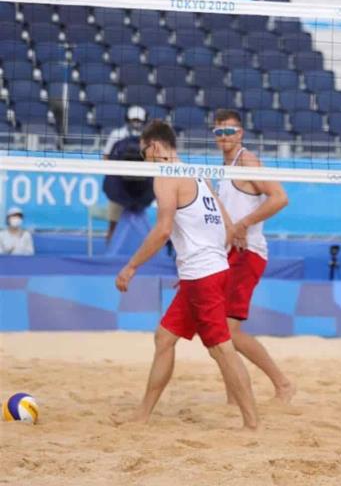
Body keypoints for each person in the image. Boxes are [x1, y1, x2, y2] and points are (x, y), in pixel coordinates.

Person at [114, 120, 258, 429]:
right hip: (206, 272)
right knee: (164, 337)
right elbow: (229, 228)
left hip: (203, 275)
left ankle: (252, 423)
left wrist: (131, 266)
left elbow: (163, 230)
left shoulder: (166, 176)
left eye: (143, 153)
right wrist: (201, 263)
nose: (145, 160)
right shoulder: (198, 174)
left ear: (154, 147)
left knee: (221, 349)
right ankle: (142, 416)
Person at [212, 109, 295, 403]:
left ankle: (282, 384)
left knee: (228, 332)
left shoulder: (246, 160)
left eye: (229, 131)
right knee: (217, 333)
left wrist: (244, 225)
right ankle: (234, 396)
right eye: (219, 132)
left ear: (240, 133)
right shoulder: (225, 169)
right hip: (227, 255)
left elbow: (280, 197)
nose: (224, 137)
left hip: (247, 254)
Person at [103, 106, 148, 243]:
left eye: (139, 120)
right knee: (114, 219)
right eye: (133, 120)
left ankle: (144, 245)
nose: (136, 123)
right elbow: (105, 157)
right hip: (119, 182)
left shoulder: (147, 137)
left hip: (141, 183)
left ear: (143, 121)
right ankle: (110, 241)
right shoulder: (117, 134)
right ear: (127, 120)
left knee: (139, 216)